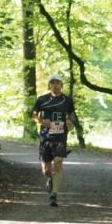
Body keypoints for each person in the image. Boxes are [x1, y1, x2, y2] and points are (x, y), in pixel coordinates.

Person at [32, 75, 77, 207]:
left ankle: (54, 194)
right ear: (49, 85)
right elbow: (34, 115)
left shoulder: (67, 100)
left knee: (58, 162)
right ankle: (50, 179)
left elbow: (72, 115)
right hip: (45, 136)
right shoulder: (42, 99)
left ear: (62, 85)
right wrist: (41, 121)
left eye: (58, 83)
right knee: (46, 169)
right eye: (53, 83)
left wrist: (70, 121)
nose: (56, 85)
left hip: (61, 136)